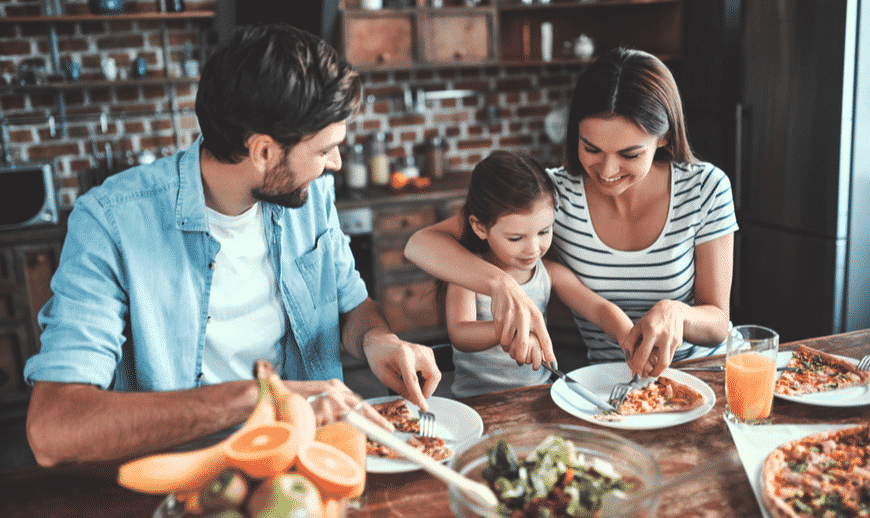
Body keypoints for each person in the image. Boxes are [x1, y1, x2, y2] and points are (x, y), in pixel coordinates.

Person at [23, 23, 440, 467]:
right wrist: (256, 397)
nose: (335, 163)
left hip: (309, 459)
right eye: (324, 150)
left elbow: (350, 307)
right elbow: (54, 428)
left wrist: (377, 341)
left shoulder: (310, 194)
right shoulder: (111, 222)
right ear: (263, 152)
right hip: (190, 472)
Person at [405, 47, 738, 379]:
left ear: (663, 137)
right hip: (609, 382)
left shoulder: (706, 188)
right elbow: (420, 244)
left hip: (701, 373)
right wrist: (498, 283)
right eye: (591, 148)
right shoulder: (550, 195)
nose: (607, 170)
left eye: (629, 154)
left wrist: (677, 313)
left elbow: (718, 323)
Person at [444, 150, 633, 397]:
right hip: (479, 400)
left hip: (539, 393)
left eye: (544, 232)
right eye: (515, 238)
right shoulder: (467, 274)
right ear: (480, 227)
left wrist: (627, 333)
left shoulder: (548, 273)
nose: (533, 249)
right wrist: (517, 331)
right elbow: (460, 333)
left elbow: (598, 308)